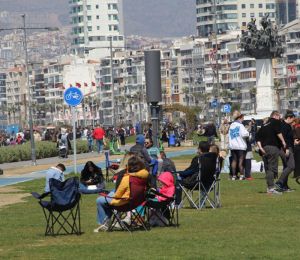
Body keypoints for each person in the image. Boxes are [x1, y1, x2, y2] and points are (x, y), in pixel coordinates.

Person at [94, 156, 149, 232]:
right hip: (138, 202)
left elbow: (118, 195)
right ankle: (108, 221)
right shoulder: (145, 176)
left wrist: (109, 196)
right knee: (106, 199)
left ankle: (104, 223)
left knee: (100, 200)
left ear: (129, 166)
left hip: (125, 203)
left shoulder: (127, 178)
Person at [256, 111, 286, 195]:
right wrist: (283, 141)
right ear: (275, 116)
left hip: (264, 149)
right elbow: (278, 132)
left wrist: (261, 148)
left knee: (268, 168)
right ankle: (271, 189)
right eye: (279, 116)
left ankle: (269, 187)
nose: (279, 118)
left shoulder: (264, 125)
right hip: (272, 147)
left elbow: (257, 137)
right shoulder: (275, 121)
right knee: (272, 168)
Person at [275, 111, 295, 191]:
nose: (293, 121)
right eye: (292, 120)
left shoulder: (286, 125)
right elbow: (283, 139)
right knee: (291, 166)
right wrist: (286, 148)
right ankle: (279, 182)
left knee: (286, 167)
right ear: (289, 118)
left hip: (286, 147)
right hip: (285, 148)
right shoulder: (284, 126)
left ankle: (284, 186)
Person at [228, 111, 249, 180]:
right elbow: (245, 134)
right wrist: (248, 133)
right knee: (241, 161)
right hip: (240, 145)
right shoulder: (240, 125)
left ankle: (234, 176)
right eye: (242, 118)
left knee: (234, 161)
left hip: (233, 146)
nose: (243, 120)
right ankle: (242, 175)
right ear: (240, 118)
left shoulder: (231, 125)